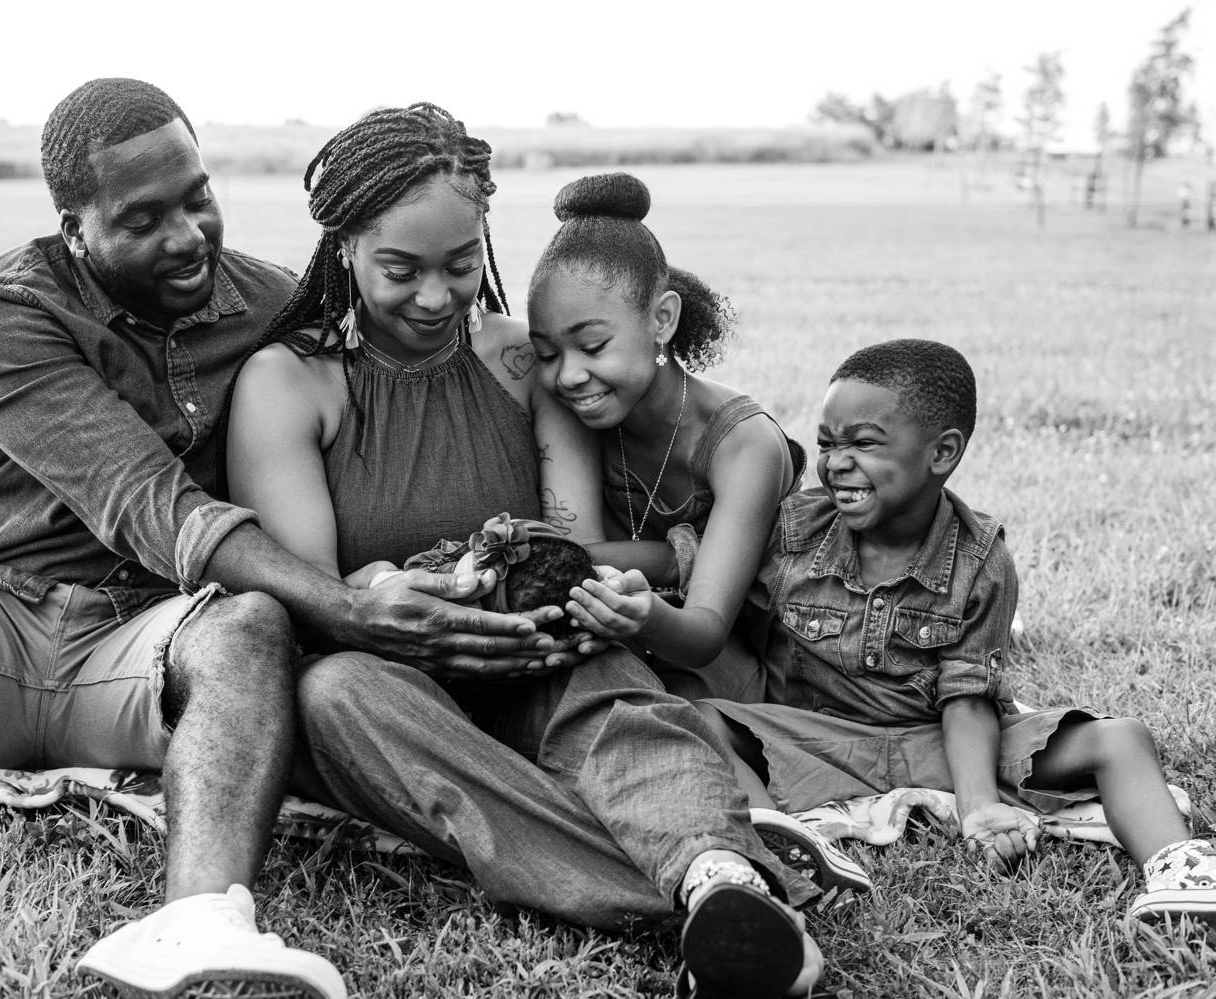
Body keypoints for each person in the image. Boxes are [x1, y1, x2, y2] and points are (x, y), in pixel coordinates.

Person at [0, 79, 570, 999]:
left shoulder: (274, 304)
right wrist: (348, 606)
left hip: (156, 647)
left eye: (198, 196)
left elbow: (402, 401)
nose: (187, 234)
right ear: (73, 224)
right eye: (143, 217)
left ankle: (197, 924)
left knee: (249, 620)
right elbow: (143, 499)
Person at [228, 103, 846, 999]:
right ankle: (723, 882)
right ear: (345, 247)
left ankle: (717, 873)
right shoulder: (290, 382)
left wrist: (553, 586)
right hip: (390, 674)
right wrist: (398, 585)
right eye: (401, 269)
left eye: (461, 263)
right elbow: (320, 596)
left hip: (533, 649)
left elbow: (574, 540)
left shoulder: (524, 361)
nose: (437, 297)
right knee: (331, 695)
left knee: (612, 695)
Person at [692, 338, 1216, 923]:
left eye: (862, 443)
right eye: (827, 443)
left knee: (1117, 737)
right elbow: (701, 564)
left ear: (941, 453)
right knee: (697, 720)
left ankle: (1179, 870)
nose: (836, 461)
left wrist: (980, 807)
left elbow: (968, 697)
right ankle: (783, 846)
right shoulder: (794, 530)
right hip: (823, 742)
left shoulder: (980, 560)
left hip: (942, 743)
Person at [524, 172, 807, 704]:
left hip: (741, 670)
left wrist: (646, 610)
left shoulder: (741, 445)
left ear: (662, 319)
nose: (567, 375)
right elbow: (576, 551)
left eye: (592, 344)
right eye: (546, 353)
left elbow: (703, 632)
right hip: (628, 643)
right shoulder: (588, 409)